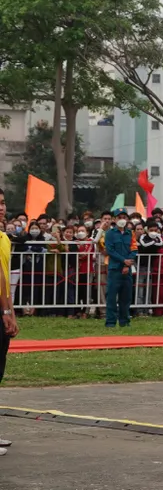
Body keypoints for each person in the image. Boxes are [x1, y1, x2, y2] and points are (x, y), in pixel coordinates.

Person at [1, 189, 19, 456]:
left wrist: (11, 311)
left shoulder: (4, 237)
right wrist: (5, 311)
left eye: (2, 202)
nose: (1, 208)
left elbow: (5, 278)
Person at [104, 208, 136, 328]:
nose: (122, 220)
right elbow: (110, 251)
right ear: (114, 219)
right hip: (114, 269)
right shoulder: (110, 234)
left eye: (124, 217)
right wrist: (124, 261)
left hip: (127, 270)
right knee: (111, 297)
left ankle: (125, 321)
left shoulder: (130, 233)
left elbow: (134, 249)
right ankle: (111, 322)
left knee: (126, 297)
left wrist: (127, 264)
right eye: (119, 217)